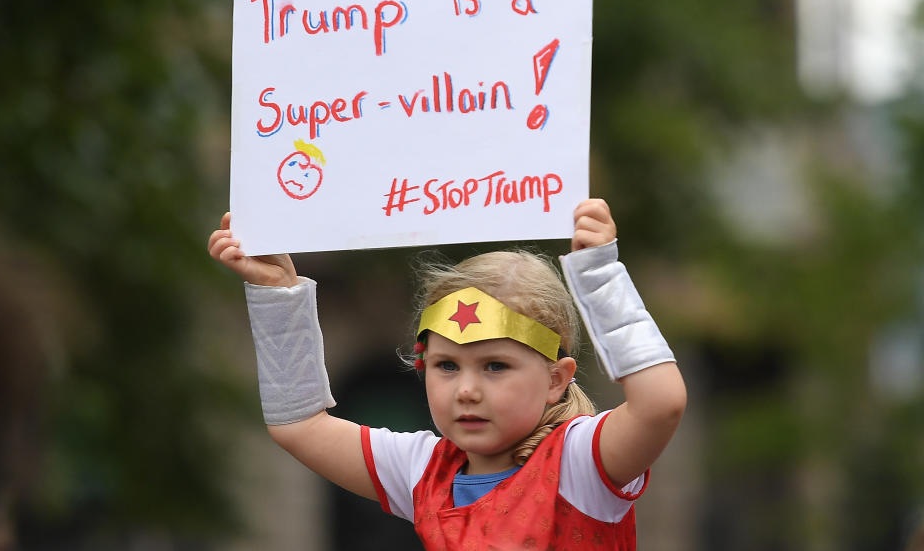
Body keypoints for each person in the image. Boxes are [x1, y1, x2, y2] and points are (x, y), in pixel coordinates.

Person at [208, 198, 686, 550]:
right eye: (446, 366)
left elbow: (660, 404)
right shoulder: (423, 468)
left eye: (495, 366)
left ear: (557, 379)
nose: (468, 390)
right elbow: (300, 425)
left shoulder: (579, 461)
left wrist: (600, 276)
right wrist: (277, 294)